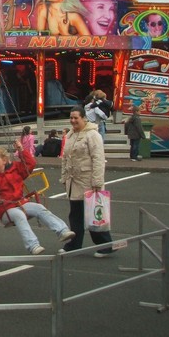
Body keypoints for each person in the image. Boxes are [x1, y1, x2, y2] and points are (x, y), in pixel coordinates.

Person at [0, 142, 75, 255]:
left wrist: (22, 151)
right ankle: (33, 245)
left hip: (20, 204)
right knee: (18, 215)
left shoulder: (15, 169)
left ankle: (62, 230)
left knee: (39, 208)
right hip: (5, 210)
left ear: (4, 160)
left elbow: (30, 164)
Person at [60, 106, 114, 257]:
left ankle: (105, 245)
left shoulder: (93, 135)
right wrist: (64, 177)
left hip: (88, 181)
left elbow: (98, 159)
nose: (73, 121)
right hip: (74, 181)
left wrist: (97, 181)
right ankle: (74, 244)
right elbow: (65, 158)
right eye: (71, 118)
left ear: (84, 118)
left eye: (76, 118)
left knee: (93, 214)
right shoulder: (70, 135)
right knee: (75, 214)